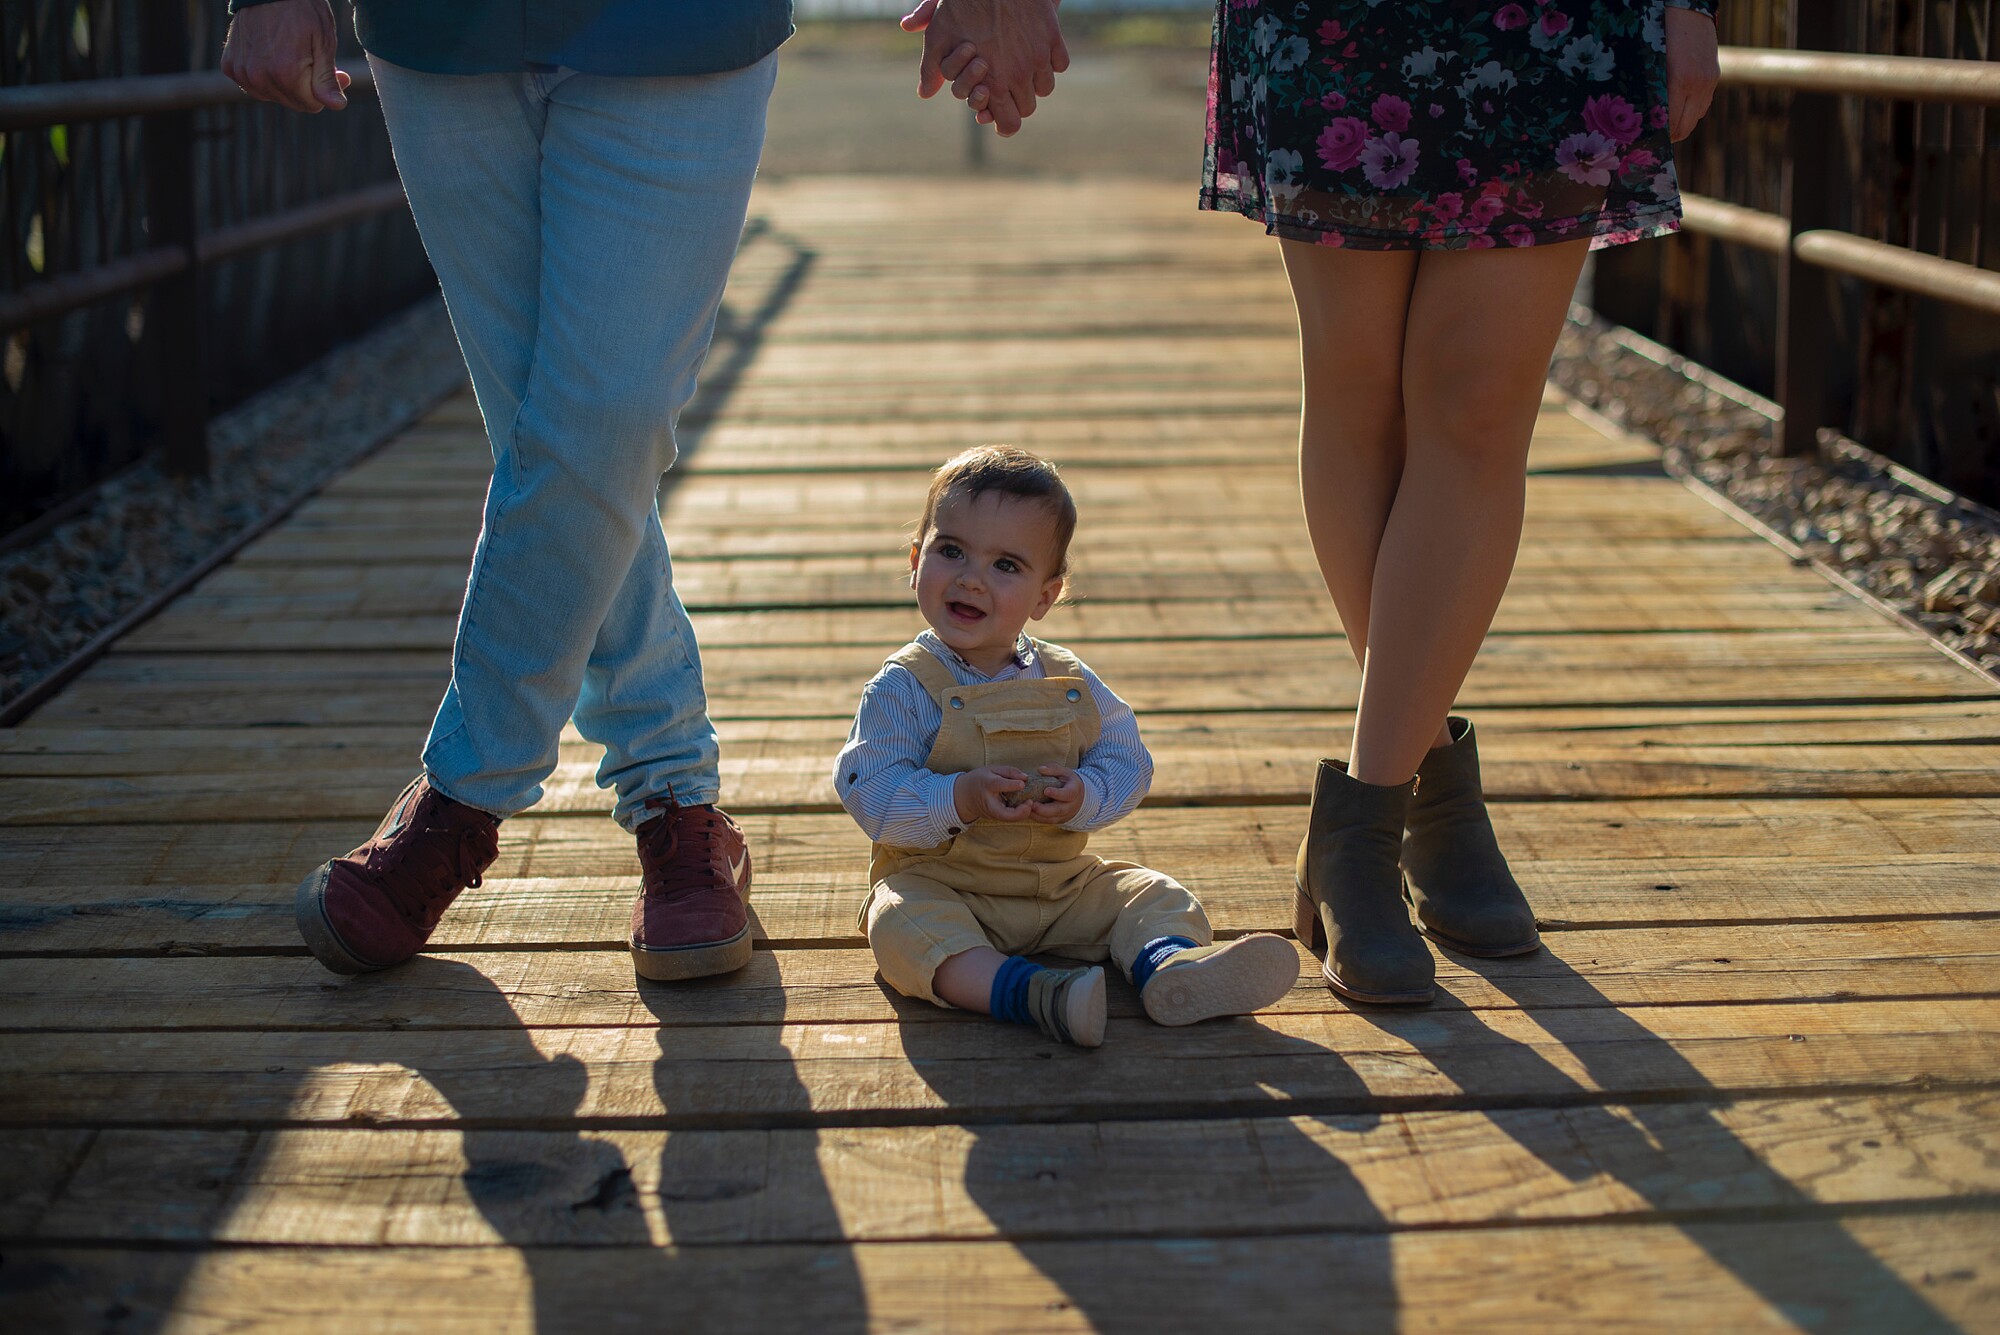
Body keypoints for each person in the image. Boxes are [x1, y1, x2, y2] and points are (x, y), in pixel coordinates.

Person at [919, 1, 1720, 1005]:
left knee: (1477, 403)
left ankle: (1359, 830)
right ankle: (1429, 797)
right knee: (1356, 390)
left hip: (1556, 22)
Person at [220, 0, 807, 982]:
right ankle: (673, 796)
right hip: (443, 31)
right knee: (554, 437)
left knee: (608, 417)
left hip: (683, 24)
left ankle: (459, 803)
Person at [835, 447, 1300, 1047]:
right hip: (944, 884)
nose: (971, 577)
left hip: (1057, 885)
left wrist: (1086, 795)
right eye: (950, 551)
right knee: (900, 921)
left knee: (1151, 892)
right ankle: (1033, 994)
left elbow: (1127, 759)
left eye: (1006, 565)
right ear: (914, 560)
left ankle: (1171, 968)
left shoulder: (1067, 680)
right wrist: (957, 799)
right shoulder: (905, 685)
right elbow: (866, 788)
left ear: (1045, 597)